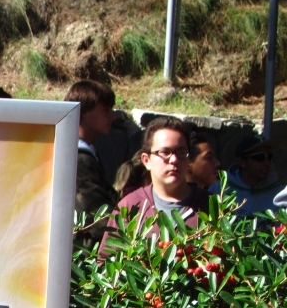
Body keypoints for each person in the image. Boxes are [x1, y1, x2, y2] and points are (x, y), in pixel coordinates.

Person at [101, 116, 209, 252]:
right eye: (165, 152)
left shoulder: (212, 207)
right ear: (146, 160)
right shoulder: (130, 206)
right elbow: (106, 262)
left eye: (181, 152)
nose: (174, 159)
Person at [65, 80, 118, 244]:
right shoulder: (77, 158)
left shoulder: (82, 151)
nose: (112, 117)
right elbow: (96, 215)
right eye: (105, 111)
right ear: (84, 112)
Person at [222, 133, 279, 216]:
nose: (267, 163)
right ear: (242, 162)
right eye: (260, 157)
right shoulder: (220, 190)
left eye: (269, 157)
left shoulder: (280, 194)